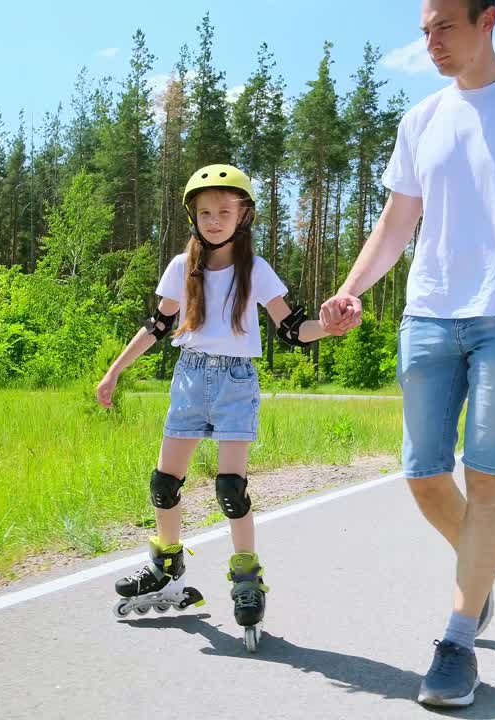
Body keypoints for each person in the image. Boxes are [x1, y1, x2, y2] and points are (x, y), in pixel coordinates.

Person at [321, 0, 495, 706]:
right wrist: (350, 290)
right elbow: (395, 224)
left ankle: (457, 636)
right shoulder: (420, 120)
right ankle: (480, 576)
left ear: (487, 19)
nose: (431, 42)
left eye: (445, 25)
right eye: (424, 30)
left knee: (489, 471)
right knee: (422, 474)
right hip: (430, 312)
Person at [97, 164, 336, 651]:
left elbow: (291, 329)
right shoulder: (179, 268)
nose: (214, 219)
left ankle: (247, 578)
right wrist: (115, 370)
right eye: (205, 211)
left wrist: (328, 329)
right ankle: (166, 569)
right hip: (189, 376)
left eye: (224, 211)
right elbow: (158, 327)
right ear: (193, 216)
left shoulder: (257, 270)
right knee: (164, 484)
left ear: (243, 215)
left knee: (231, 488)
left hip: (235, 381)